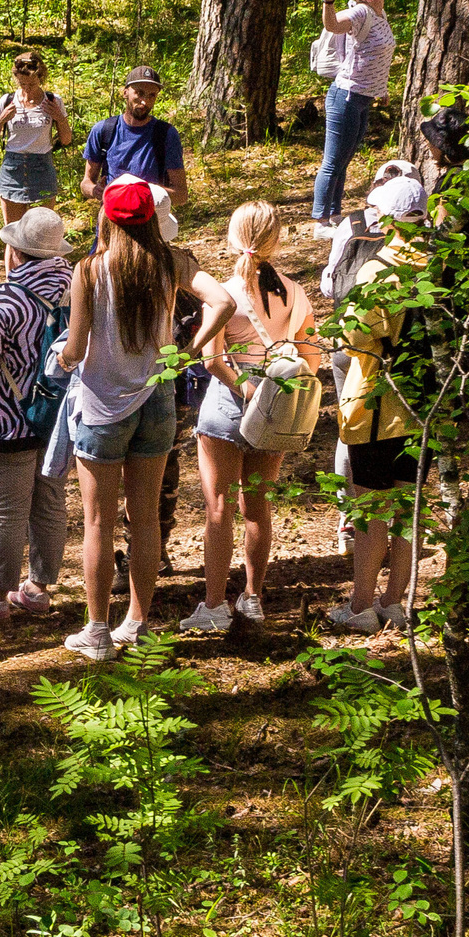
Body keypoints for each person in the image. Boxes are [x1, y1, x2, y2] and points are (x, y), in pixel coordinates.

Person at [56, 180, 234, 661]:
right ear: (151, 219)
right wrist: (190, 352)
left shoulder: (90, 271)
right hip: (155, 401)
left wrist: (64, 358)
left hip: (101, 408)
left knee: (97, 521)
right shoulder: (170, 264)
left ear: (107, 220)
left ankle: (96, 631)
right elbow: (223, 303)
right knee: (146, 521)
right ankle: (135, 623)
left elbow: (74, 348)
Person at [180, 202, 318, 633]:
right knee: (258, 506)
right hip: (274, 413)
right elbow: (310, 357)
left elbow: (211, 359)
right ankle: (253, 597)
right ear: (277, 241)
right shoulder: (294, 293)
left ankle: (215, 603)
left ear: (231, 236)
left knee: (218, 508)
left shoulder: (222, 295)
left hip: (226, 407)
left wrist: (245, 387)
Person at [0, 208, 75, 624]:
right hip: (59, 418)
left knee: (6, 513)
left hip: (6, 424)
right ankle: (39, 590)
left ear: (16, 253)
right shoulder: (78, 290)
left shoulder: (2, 301)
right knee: (51, 503)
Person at [332, 172, 434, 634]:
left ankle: (360, 607)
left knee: (370, 508)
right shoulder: (440, 265)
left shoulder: (380, 268)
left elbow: (354, 335)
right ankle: (395, 601)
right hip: (428, 406)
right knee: (410, 506)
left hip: (379, 405)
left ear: (388, 220)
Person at [312, 0, 395, 224]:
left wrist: (382, 90)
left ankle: (334, 216)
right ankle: (320, 221)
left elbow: (376, 58)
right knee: (333, 161)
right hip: (345, 96)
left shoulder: (380, 15)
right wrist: (328, 0)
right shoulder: (360, 12)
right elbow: (334, 24)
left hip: (363, 98)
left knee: (344, 160)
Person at [0, 50, 75, 224]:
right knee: (12, 234)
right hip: (12, 170)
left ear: (41, 77)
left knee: (41, 231)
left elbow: (66, 140)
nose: (27, 89)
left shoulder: (53, 101)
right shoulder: (7, 100)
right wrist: (1, 119)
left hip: (42, 168)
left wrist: (60, 118)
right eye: (22, 83)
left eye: (31, 83)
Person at [79, 65, 188, 206]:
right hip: (111, 217)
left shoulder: (165, 134)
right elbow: (86, 183)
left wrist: (144, 193)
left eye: (152, 95)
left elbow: (181, 195)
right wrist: (95, 190)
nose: (145, 102)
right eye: (139, 93)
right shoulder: (104, 130)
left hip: (150, 219)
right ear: (125, 93)